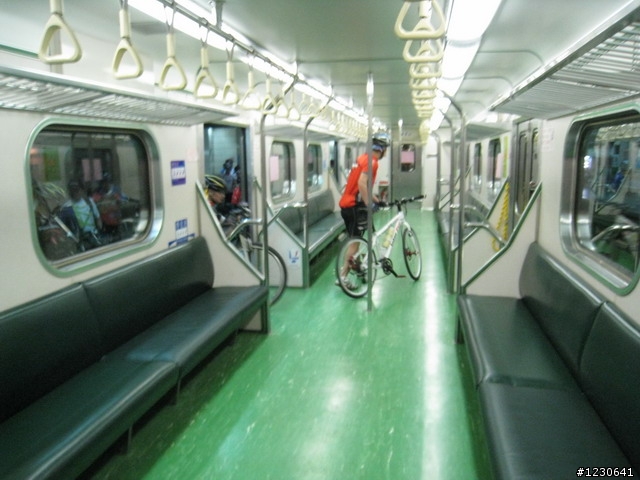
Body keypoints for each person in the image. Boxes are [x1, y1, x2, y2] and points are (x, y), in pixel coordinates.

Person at [337, 131, 391, 285]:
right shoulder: (372, 162)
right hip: (353, 206)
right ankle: (343, 276)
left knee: (357, 240)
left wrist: (375, 199)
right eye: (385, 149)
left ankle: (358, 269)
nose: (386, 153)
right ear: (381, 149)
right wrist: (369, 204)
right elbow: (361, 183)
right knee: (354, 243)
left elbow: (361, 185)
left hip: (346, 204)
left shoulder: (362, 158)